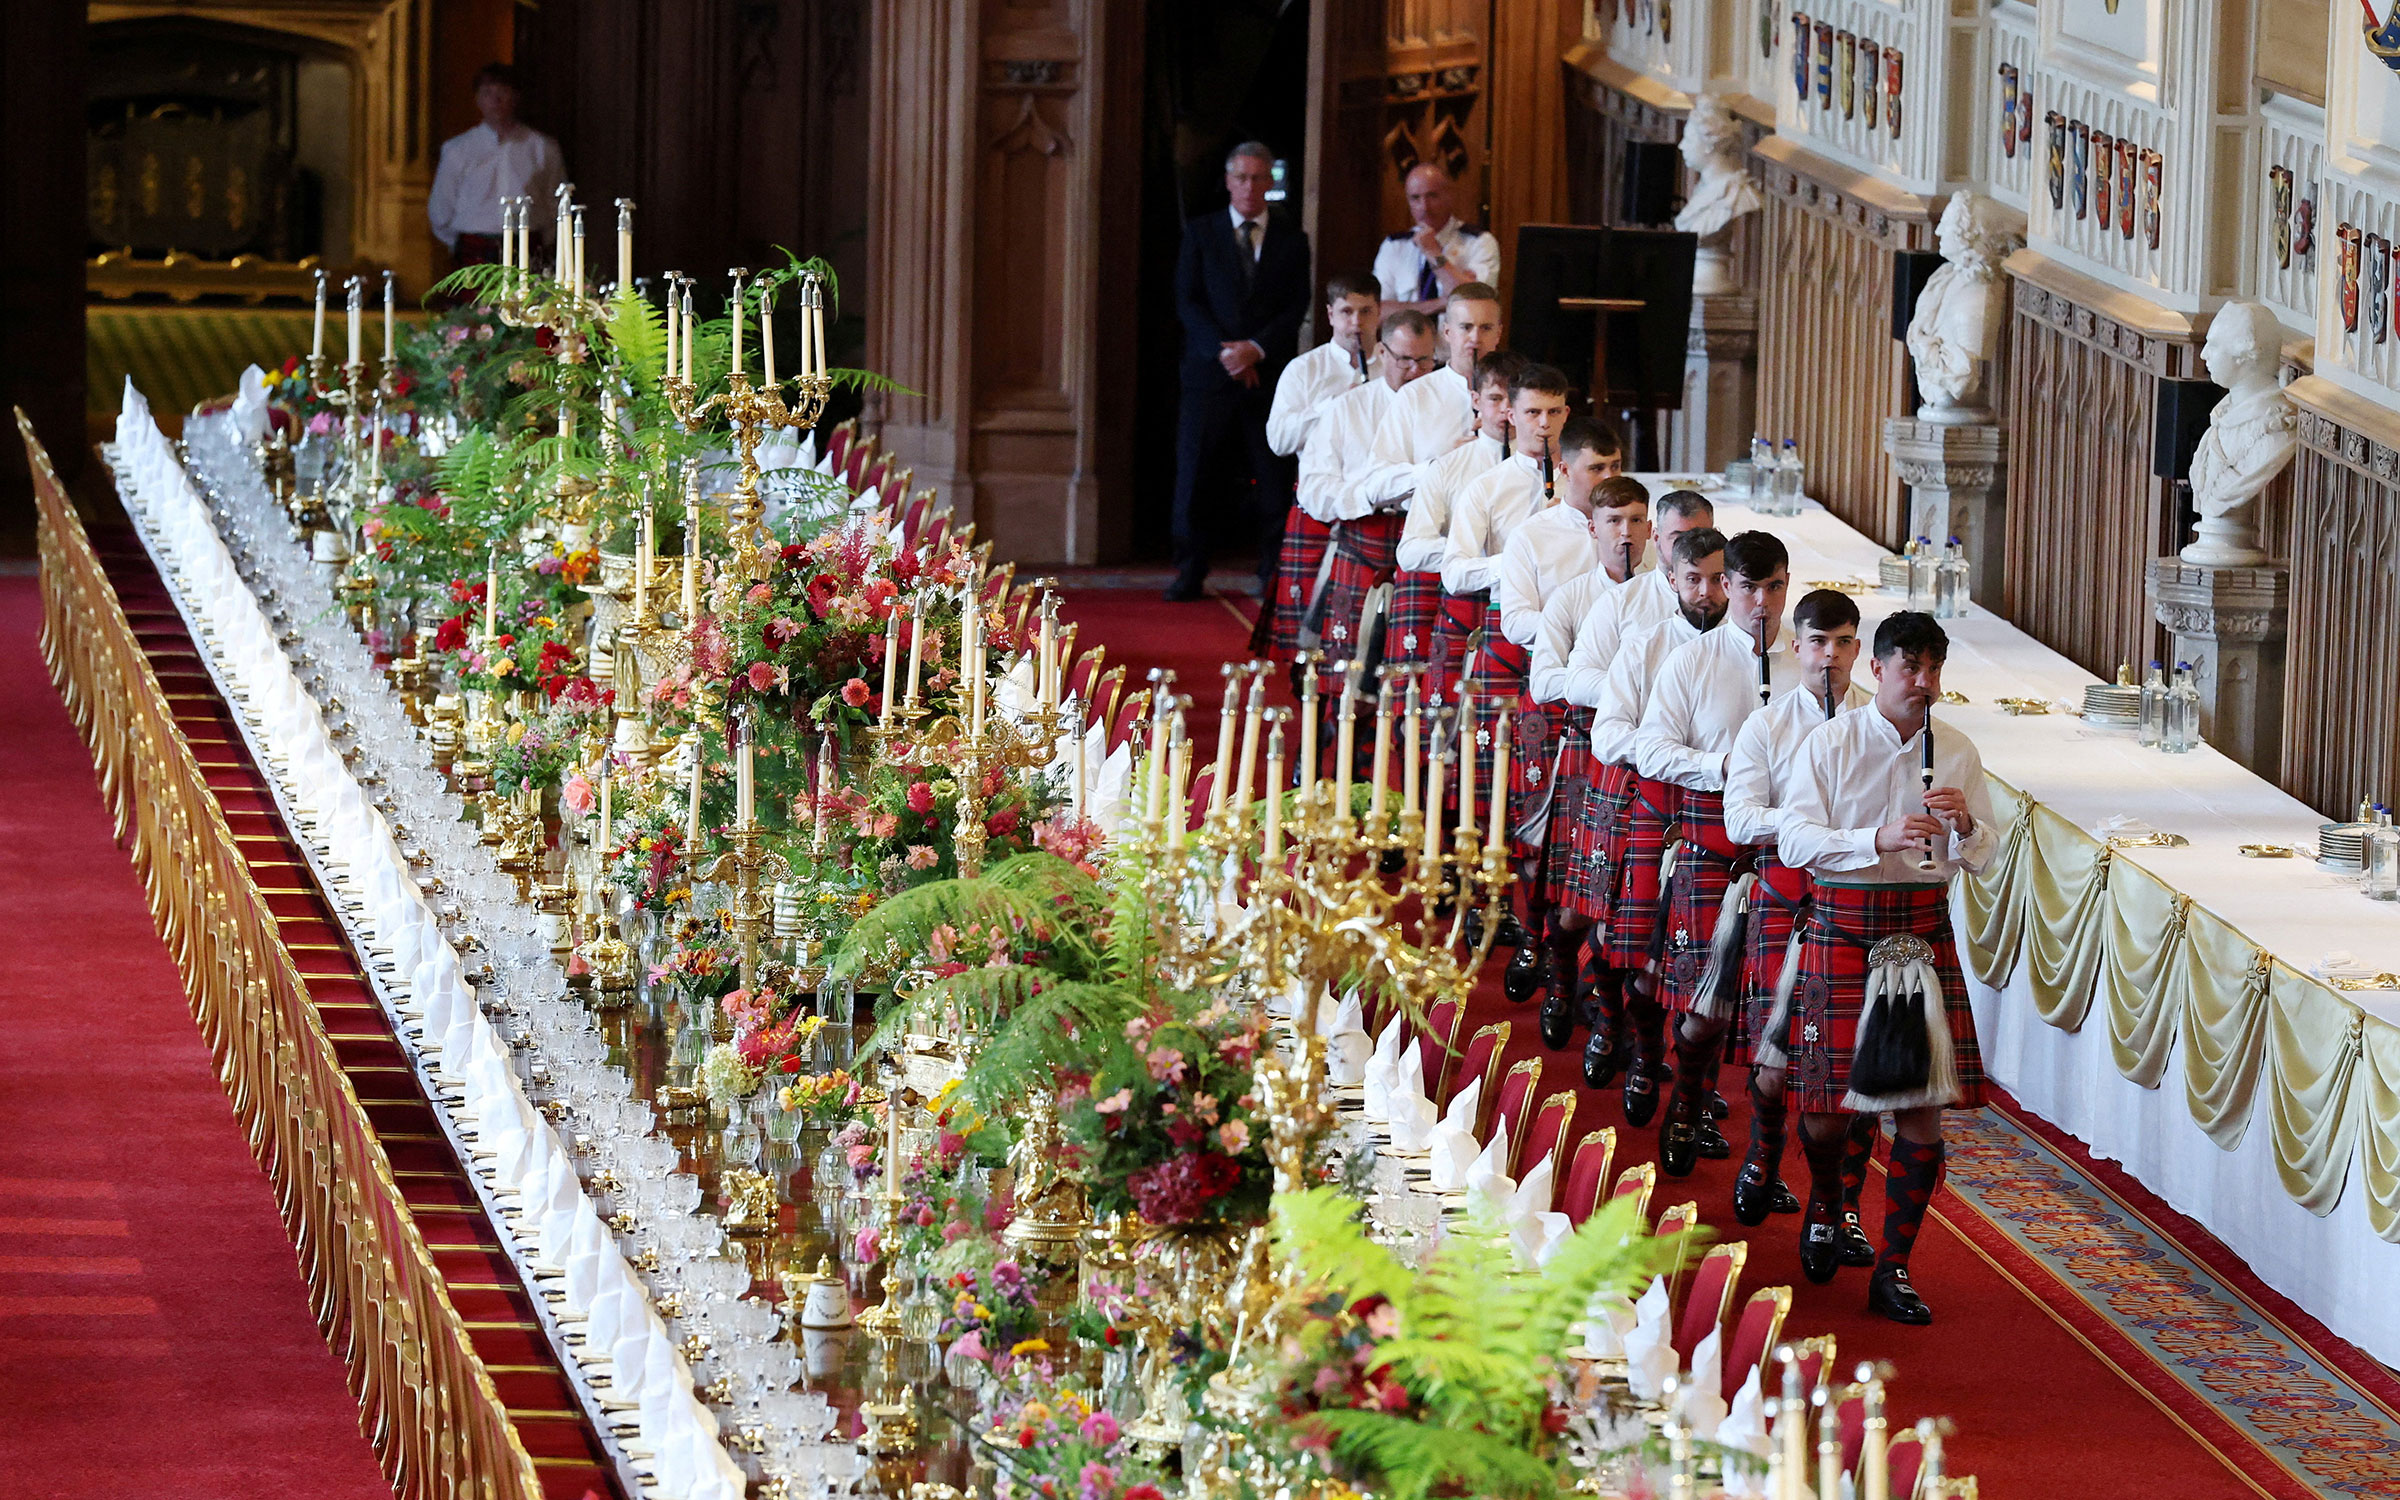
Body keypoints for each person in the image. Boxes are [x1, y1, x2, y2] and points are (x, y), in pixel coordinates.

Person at [1775, 611, 1998, 1325]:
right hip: (1846, 923)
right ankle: (1827, 1201)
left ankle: (1895, 1266)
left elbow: (1986, 854)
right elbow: (1793, 839)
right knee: (1829, 1112)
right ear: (1877, 671)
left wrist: (1966, 828)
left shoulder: (1957, 749)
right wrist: (1877, 836)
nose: (1924, 682)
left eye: (1934, 668)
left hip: (1920, 930)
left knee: (1920, 1109)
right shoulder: (1831, 743)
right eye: (1910, 667)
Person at [1634, 531, 1805, 1178]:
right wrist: (1722, 764)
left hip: (1785, 855)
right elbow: (1651, 750)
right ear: (1726, 586)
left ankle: (1764, 1159)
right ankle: (1688, 1105)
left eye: (1775, 587)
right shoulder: (1693, 661)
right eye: (1749, 587)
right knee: (1705, 1011)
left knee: (1778, 1026)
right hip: (1713, 847)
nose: (1762, 602)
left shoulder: (1809, 667)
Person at [1550, 489, 1714, 1079]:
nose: (1689, 556)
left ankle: (1671, 1061)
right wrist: (1651, 718)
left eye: (1700, 540)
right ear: (1660, 550)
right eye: (1675, 542)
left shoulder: (1730, 627)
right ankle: (1608, 1017)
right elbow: (1576, 682)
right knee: (1607, 915)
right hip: (1628, 776)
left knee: (1689, 940)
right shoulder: (1624, 610)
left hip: (1698, 795)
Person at [1722, 588, 1864, 1232]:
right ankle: (1763, 1154)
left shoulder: (1877, 724)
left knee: (1861, 1070)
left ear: (1858, 651)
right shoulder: (1767, 724)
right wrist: (1808, 823)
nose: (1828, 656)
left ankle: (1845, 1205)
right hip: (1785, 891)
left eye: (1842, 644)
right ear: (1797, 648)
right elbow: (1741, 817)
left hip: (1855, 901)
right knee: (1777, 1063)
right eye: (1816, 643)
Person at [1588, 526, 1729, 1126]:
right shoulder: (1644, 646)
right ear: (1669, 579)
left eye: (1716, 580)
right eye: (1691, 579)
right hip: (1653, 809)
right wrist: (1679, 755)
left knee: (1716, 968)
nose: (1705, 593)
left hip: (1721, 822)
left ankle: (1696, 1094)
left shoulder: (1750, 656)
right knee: (1642, 962)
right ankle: (1646, 1054)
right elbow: (1608, 734)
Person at [1170, 141, 1314, 602]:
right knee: (1195, 479)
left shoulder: (1294, 239)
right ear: (1229, 182)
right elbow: (1186, 300)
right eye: (1241, 178)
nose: (1250, 187)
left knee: (1273, 479)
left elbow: (1296, 307)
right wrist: (1226, 353)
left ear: (1270, 182)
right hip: (1208, 376)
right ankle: (1190, 570)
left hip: (1269, 377)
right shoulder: (1201, 232)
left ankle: (1271, 570)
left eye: (1258, 178)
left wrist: (1254, 350)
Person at [1292, 311, 1441, 697]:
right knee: (1340, 677)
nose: (1414, 370)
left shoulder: (1448, 409)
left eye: (1424, 360)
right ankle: (1326, 749)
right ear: (1380, 352)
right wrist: (1368, 495)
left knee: (1416, 679)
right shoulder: (1349, 408)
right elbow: (1313, 490)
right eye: (1404, 359)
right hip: (1363, 539)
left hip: (1424, 549)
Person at [1263, 273, 1384, 657]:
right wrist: (1334, 406)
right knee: (1307, 627)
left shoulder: (1396, 368)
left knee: (1367, 624)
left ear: (1379, 313)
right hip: (1319, 506)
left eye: (1366, 312)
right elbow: (1279, 441)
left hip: (1378, 508)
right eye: (1347, 312)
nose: (1356, 323)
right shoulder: (1305, 370)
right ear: (1330, 314)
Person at [1391, 349, 1523, 693]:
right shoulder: (1449, 467)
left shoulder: (1549, 468)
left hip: (1527, 605)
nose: (1505, 411)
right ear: (1475, 400)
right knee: (1449, 721)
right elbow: (1411, 551)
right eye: (1495, 398)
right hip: (1465, 601)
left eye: (1513, 400)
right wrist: (1471, 554)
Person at [427, 64, 565, 269]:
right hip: (474, 246)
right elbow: (441, 207)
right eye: (487, 93)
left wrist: (542, 241)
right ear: (477, 99)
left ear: (516, 97)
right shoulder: (458, 149)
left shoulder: (542, 147)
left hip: (526, 243)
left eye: (503, 92)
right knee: (472, 302)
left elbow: (557, 202)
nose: (495, 100)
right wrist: (461, 242)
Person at [1375, 162, 1503, 314]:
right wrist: (1442, 303)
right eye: (1415, 198)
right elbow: (1376, 312)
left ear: (1449, 196)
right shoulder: (1394, 246)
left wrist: (1433, 253)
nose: (1424, 207)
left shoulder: (1479, 243)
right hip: (1405, 337)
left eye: (1432, 196)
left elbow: (1474, 305)